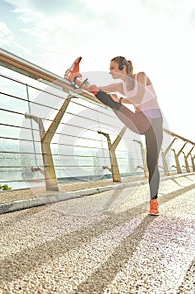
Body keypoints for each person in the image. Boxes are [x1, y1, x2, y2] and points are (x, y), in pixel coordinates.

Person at [64, 56, 163, 216]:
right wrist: (84, 86)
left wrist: (122, 99)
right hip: (139, 122)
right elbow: (100, 90)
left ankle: (154, 202)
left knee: (152, 162)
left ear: (123, 68)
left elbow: (141, 97)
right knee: (110, 101)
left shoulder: (141, 76)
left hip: (154, 121)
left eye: (113, 68)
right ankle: (75, 77)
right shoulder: (120, 86)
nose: (110, 71)